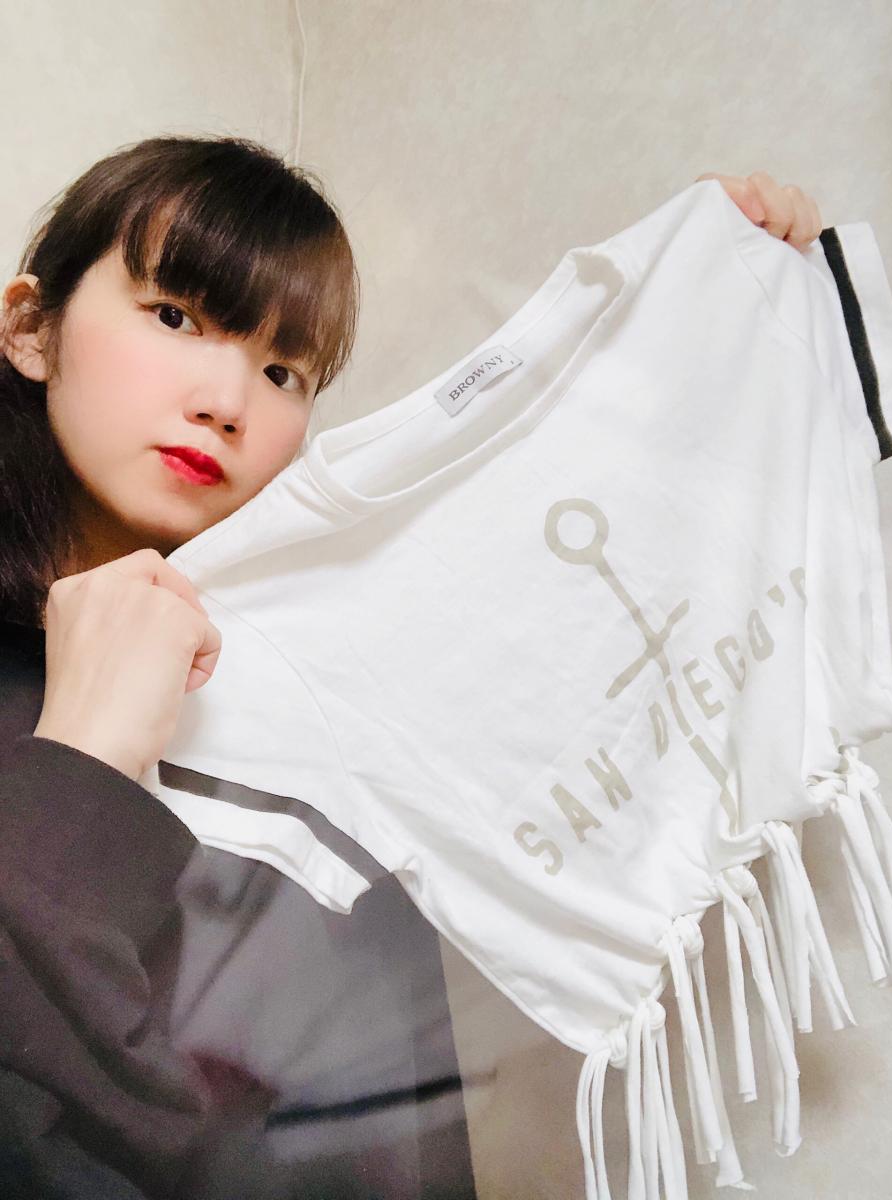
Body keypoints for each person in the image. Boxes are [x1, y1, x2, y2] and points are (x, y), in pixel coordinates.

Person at [0, 135, 823, 1199]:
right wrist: (87, 760)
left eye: (284, 372)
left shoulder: (316, 727)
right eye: (175, 316)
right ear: (30, 328)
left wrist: (703, 308)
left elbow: (379, 1137)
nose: (228, 401)